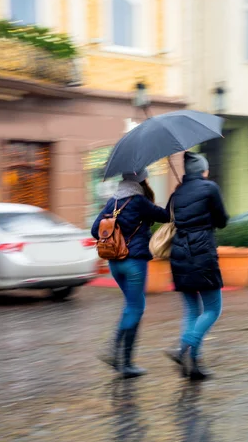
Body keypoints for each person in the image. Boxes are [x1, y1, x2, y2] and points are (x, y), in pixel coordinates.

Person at [92, 169, 170, 378]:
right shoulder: (139, 201)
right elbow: (165, 216)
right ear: (141, 179)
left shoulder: (112, 202)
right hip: (134, 261)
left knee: (133, 307)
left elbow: (94, 230)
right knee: (135, 308)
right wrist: (173, 197)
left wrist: (116, 230)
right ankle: (114, 349)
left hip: (114, 263)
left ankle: (125, 363)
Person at [164, 152, 229, 380]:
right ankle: (182, 349)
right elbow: (222, 220)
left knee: (193, 311)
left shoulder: (177, 192)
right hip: (202, 253)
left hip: (179, 255)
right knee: (213, 309)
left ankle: (193, 366)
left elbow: (167, 217)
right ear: (203, 170)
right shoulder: (210, 188)